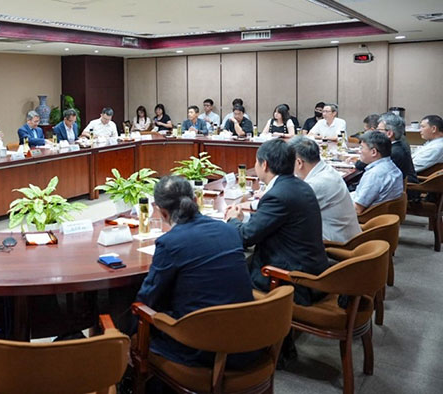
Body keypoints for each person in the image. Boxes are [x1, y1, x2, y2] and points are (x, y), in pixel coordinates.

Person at [136, 176, 261, 369]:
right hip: (247, 339)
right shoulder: (228, 229)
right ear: (195, 201)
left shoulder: (170, 242)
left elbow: (148, 298)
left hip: (202, 349)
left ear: (161, 211)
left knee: (131, 317)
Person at [224, 139, 328, 305]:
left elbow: (246, 237)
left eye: (256, 162)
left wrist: (232, 220)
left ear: (264, 165)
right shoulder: (298, 185)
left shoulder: (278, 194)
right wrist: (245, 220)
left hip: (293, 280)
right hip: (311, 269)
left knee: (225, 277)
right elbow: (277, 222)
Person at [289, 137, 360, 242]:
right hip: (346, 234)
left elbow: (288, 211)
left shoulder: (317, 183)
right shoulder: (327, 170)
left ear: (299, 163)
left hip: (337, 244)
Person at [354, 113, 417, 183]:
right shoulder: (400, 143)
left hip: (407, 189)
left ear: (389, 134)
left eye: (378, 130)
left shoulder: (393, 151)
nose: (376, 133)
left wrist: (358, 161)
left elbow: (363, 166)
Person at [353, 131, 404, 214]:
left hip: (368, 218)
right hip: (383, 215)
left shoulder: (375, 174)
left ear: (373, 152)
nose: (359, 151)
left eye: (361, 148)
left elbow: (357, 208)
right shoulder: (391, 166)